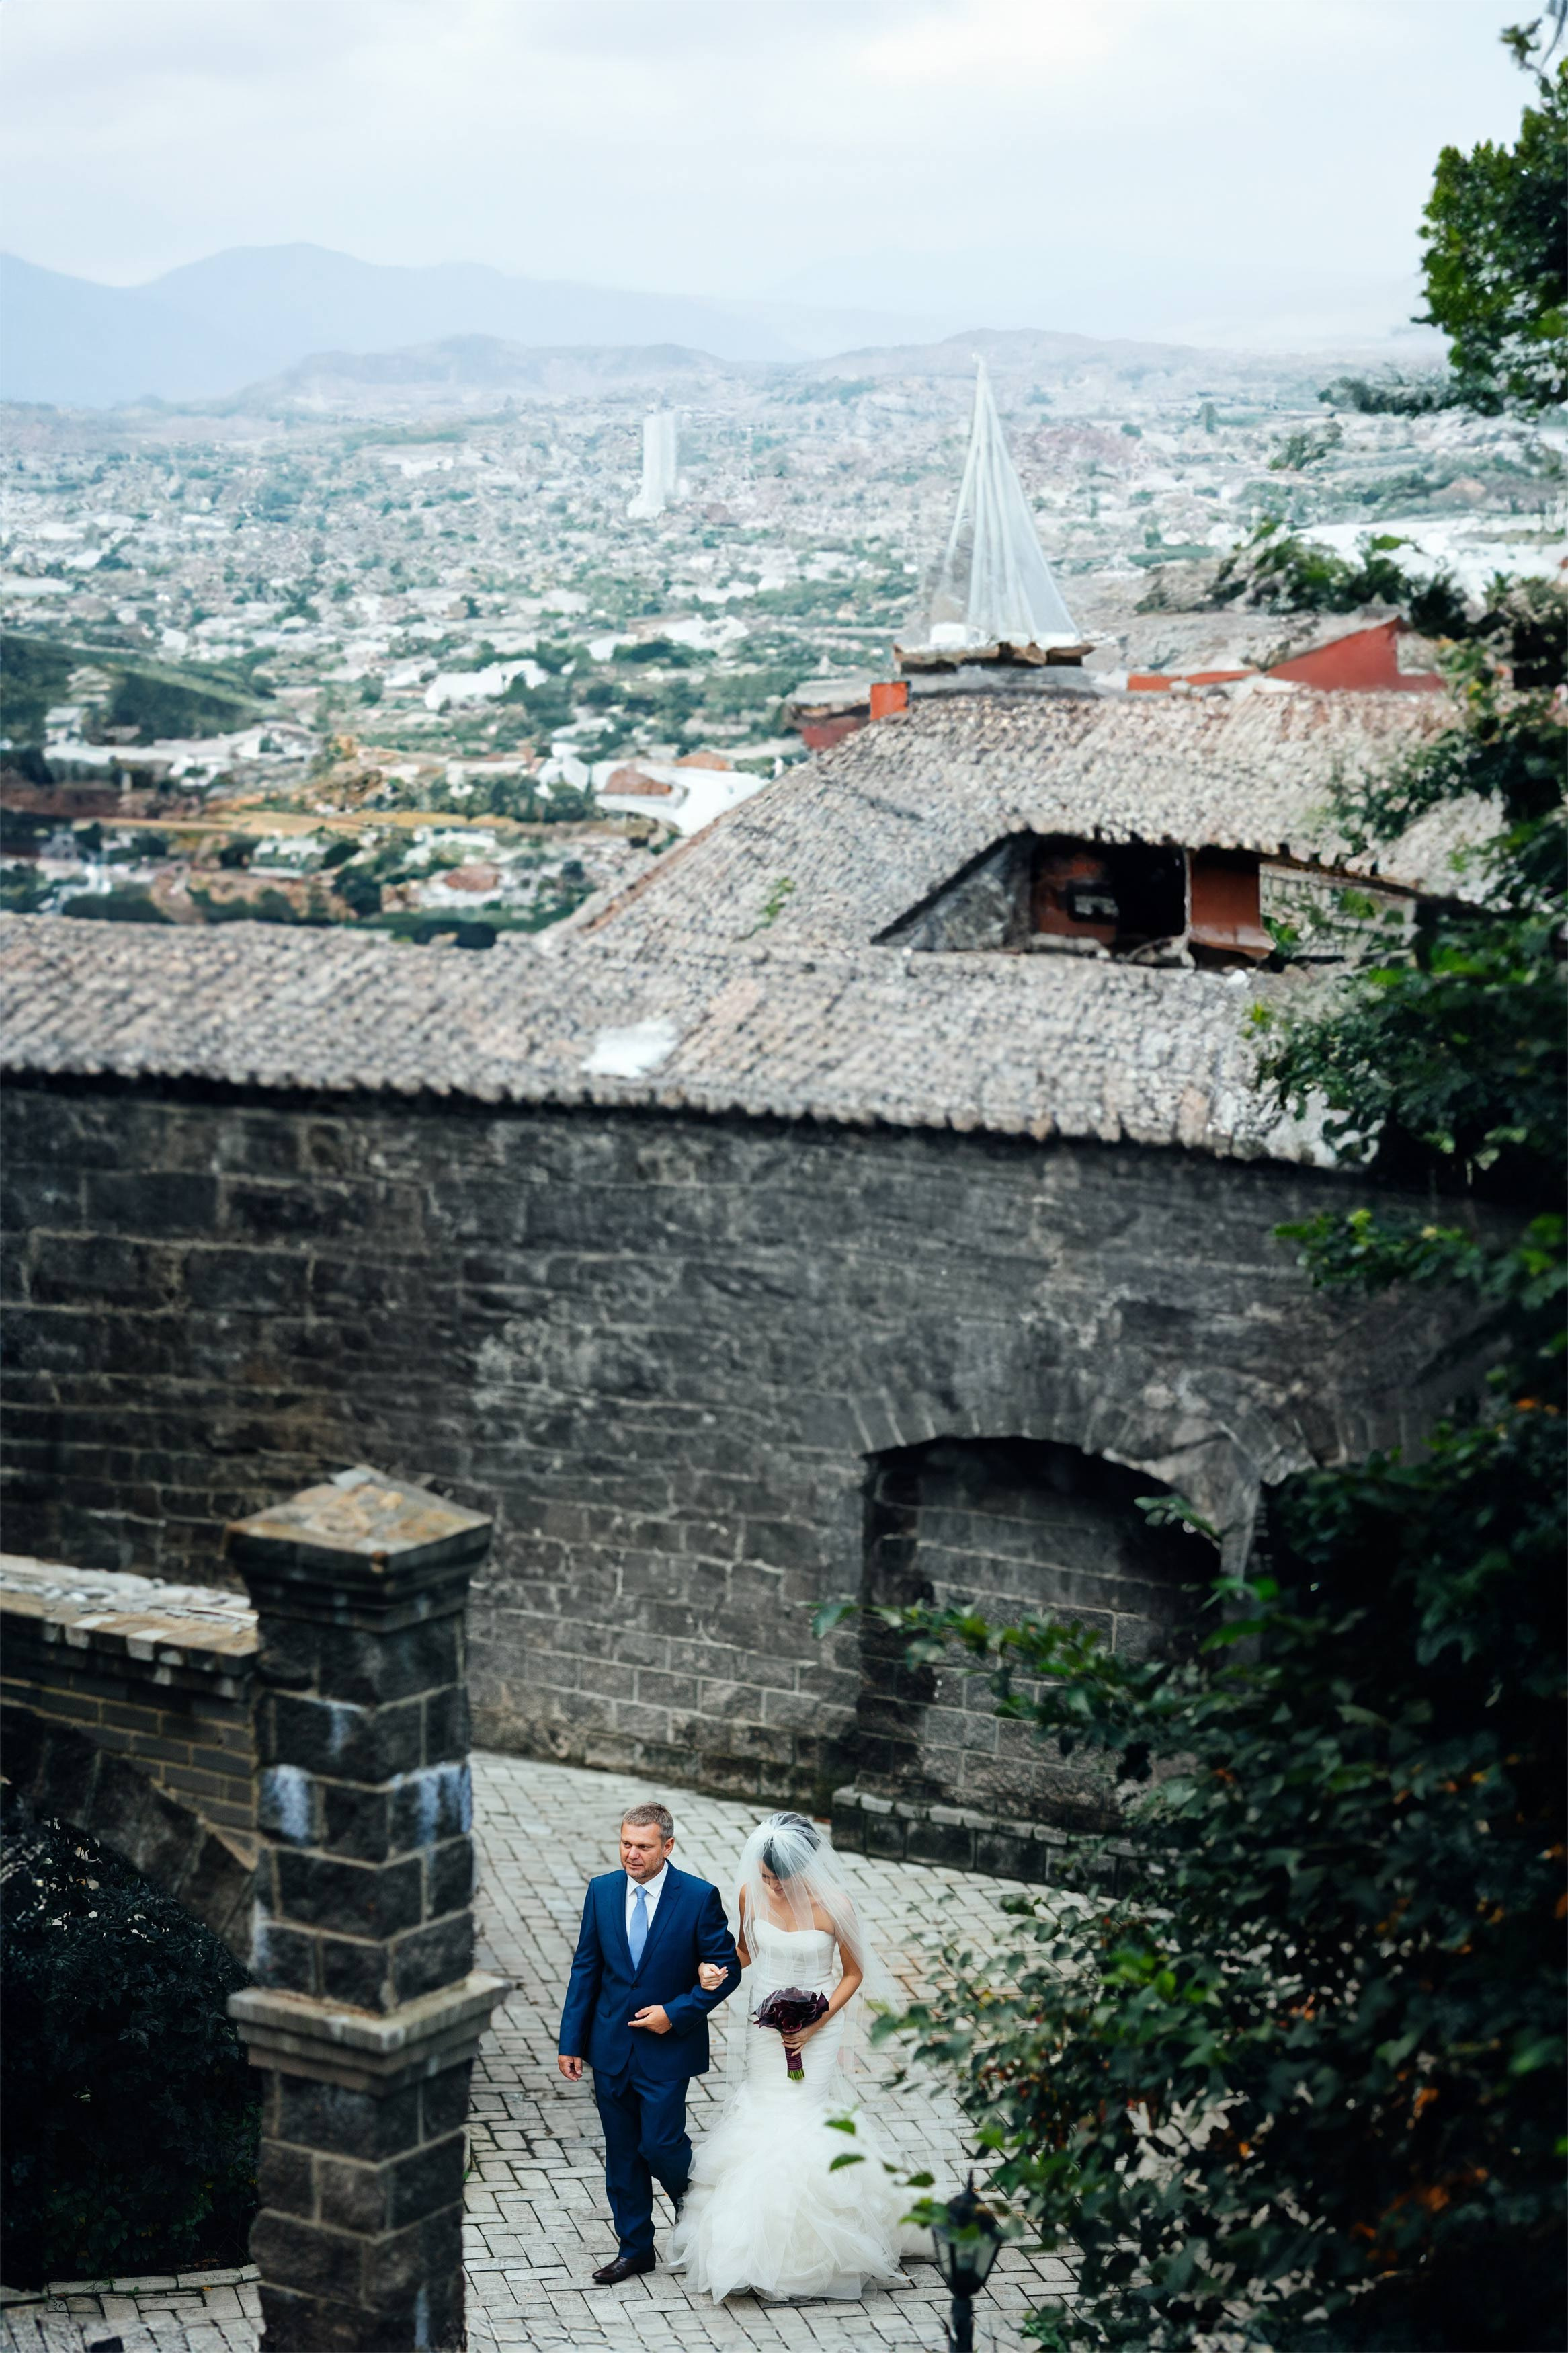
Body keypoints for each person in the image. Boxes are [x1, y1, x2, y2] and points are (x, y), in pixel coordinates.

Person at [667, 1810, 924, 2302]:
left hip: (818, 2024)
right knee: (763, 2111)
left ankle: (811, 2250)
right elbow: (743, 1952)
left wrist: (815, 2023)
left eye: (778, 1880)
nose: (771, 1888)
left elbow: (852, 1974)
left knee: (801, 2116)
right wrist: (715, 1972)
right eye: (764, 1878)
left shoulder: (836, 1906)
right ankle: (746, 2248)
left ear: (804, 1869)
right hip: (763, 2025)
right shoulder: (751, 1895)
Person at [558, 1800, 743, 2286]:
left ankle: (696, 2203)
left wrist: (676, 2013)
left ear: (668, 1846)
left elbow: (727, 1970)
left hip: (666, 2051)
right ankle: (635, 2249)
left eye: (642, 1846)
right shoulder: (601, 1892)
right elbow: (586, 1969)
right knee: (622, 2156)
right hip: (610, 2047)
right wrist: (570, 2041)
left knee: (660, 2146)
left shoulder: (698, 1897)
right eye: (625, 1844)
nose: (631, 1855)